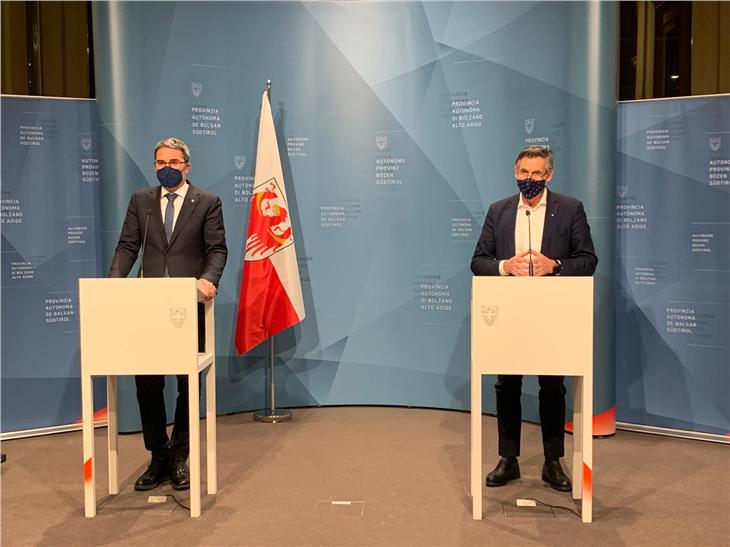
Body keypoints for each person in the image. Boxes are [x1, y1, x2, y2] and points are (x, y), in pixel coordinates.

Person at [470, 145, 597, 491]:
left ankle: (552, 462)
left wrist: (554, 266)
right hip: (509, 316)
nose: (530, 180)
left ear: (549, 175)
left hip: (553, 315)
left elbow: (588, 261)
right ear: (515, 173)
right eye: (524, 173)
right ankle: (507, 459)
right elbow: (478, 261)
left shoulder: (570, 209)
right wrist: (504, 266)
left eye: (537, 174)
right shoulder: (499, 211)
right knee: (507, 385)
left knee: (552, 386)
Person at [109, 137, 227, 491]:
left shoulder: (207, 202)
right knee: (147, 383)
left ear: (187, 166)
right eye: (160, 162)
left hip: (188, 305)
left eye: (173, 162)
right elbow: (128, 245)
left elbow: (217, 250)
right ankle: (157, 455)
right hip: (149, 307)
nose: (166, 168)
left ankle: (180, 457)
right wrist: (114, 283)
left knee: (187, 384)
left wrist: (207, 280)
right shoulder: (141, 201)